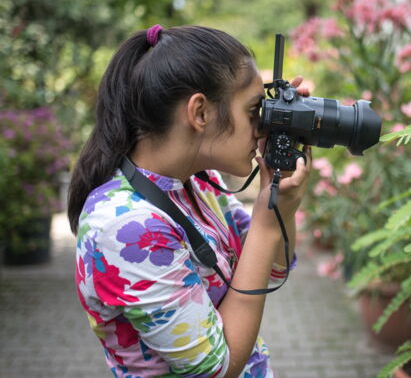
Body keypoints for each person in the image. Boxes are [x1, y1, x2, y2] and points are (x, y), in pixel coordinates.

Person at [67, 25, 311, 378]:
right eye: (254, 110)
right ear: (200, 113)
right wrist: (266, 224)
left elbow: (272, 268)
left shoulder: (198, 183)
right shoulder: (125, 226)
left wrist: (280, 201)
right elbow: (217, 368)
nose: (262, 127)